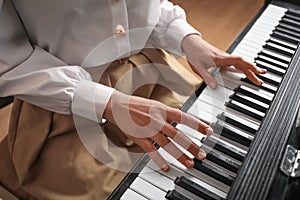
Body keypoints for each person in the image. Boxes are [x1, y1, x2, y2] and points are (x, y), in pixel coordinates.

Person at [0, 0, 266, 199]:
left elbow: (146, 6)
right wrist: (102, 101)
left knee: (224, 148)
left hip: (153, 73)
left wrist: (185, 37)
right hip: (65, 106)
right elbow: (7, 58)